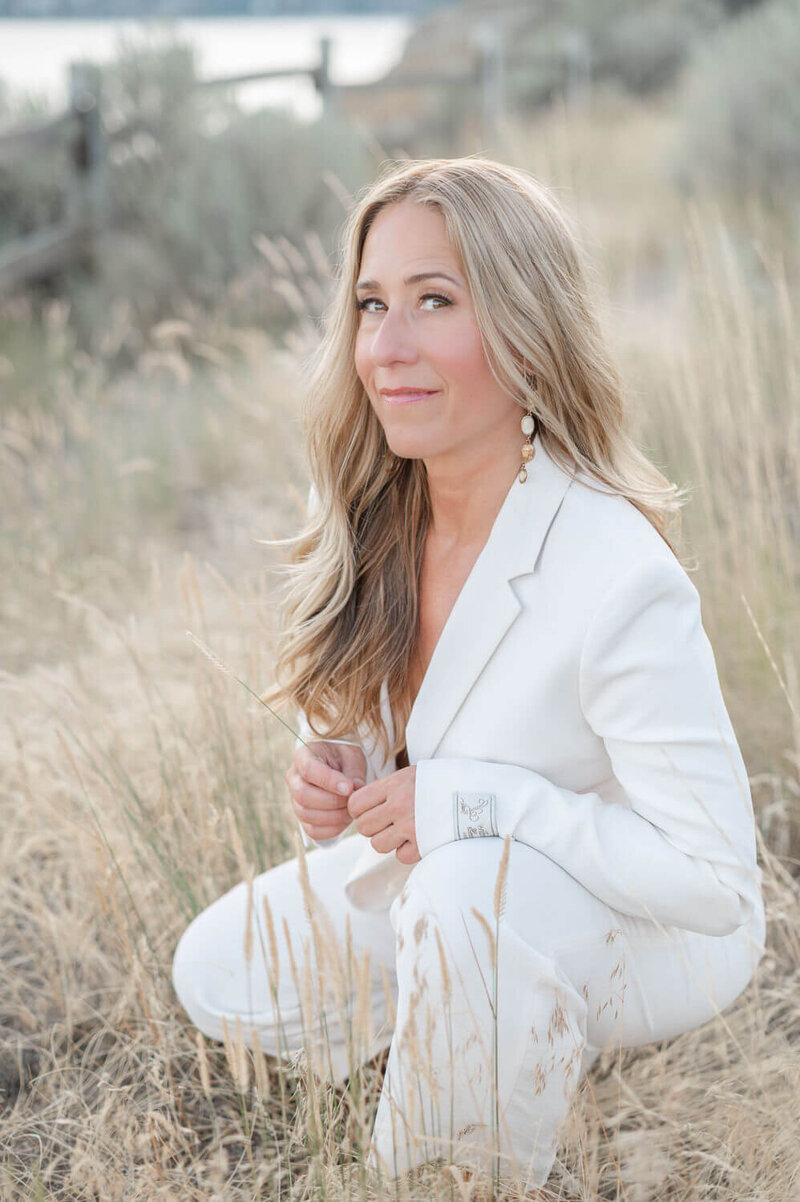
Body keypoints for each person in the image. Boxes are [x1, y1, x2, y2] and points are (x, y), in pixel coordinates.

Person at [171, 157, 766, 1195]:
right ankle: (481, 1019)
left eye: (432, 302)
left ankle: (457, 1136)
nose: (385, 349)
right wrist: (340, 769)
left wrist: (465, 805)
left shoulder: (614, 570)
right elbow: (417, 742)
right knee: (218, 967)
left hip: (644, 928)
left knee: (464, 881)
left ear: (523, 332)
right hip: (452, 893)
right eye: (370, 306)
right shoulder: (387, 516)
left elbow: (712, 882)